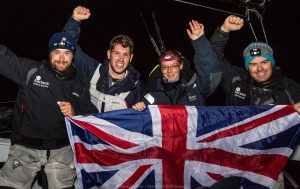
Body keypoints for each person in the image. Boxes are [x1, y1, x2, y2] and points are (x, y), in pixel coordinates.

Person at [209, 14, 300, 189]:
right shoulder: (236, 80)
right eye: (253, 64)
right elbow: (213, 58)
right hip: (236, 152)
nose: (259, 69)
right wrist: (224, 30)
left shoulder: (291, 88)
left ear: (272, 63)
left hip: (271, 158)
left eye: (264, 62)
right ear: (247, 66)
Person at [0, 32, 98, 188]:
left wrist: (75, 114)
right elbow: (3, 59)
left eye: (67, 53)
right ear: (49, 53)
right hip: (25, 149)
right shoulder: (31, 71)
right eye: (56, 52)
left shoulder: (79, 83)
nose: (61, 58)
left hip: (62, 152)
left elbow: (93, 117)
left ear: (72, 56)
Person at [63, 6, 146, 113]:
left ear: (131, 58)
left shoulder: (137, 87)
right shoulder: (92, 70)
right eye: (116, 53)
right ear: (108, 54)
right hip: (87, 129)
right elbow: (67, 47)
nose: (121, 59)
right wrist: (75, 20)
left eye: (125, 55)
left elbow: (141, 122)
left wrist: (141, 109)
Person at [132, 20, 222, 110]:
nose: (169, 71)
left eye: (174, 66)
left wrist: (200, 42)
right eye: (165, 67)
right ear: (161, 69)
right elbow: (142, 119)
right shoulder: (151, 96)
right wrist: (139, 109)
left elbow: (212, 72)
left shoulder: (196, 86)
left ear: (181, 66)